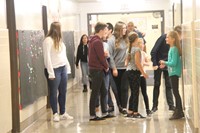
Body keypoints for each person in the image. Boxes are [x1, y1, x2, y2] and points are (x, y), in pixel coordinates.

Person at [43, 22, 73, 122]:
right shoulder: (48, 41)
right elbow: (47, 58)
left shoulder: (60, 41)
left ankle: (63, 112)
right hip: (54, 70)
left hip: (62, 68)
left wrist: (67, 67)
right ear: (55, 29)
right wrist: (50, 72)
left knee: (63, 91)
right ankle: (55, 113)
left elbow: (63, 55)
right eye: (59, 28)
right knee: (53, 92)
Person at [150, 26, 182, 113]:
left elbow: (172, 58)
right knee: (157, 84)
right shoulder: (164, 38)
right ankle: (154, 106)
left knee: (169, 85)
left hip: (167, 64)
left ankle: (171, 106)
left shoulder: (175, 45)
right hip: (159, 63)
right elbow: (153, 51)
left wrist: (166, 63)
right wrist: (155, 64)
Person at [88, 22, 111, 121]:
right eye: (105, 30)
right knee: (95, 92)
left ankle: (105, 112)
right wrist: (106, 66)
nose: (106, 32)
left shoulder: (94, 40)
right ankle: (93, 115)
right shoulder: (97, 42)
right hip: (97, 69)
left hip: (97, 69)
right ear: (101, 30)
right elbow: (100, 57)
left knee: (103, 91)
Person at [159, 30, 184, 120]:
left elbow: (173, 63)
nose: (166, 39)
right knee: (175, 92)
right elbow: (172, 62)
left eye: (168, 37)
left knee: (176, 92)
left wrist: (164, 62)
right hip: (172, 72)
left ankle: (179, 111)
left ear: (173, 39)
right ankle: (178, 110)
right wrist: (165, 64)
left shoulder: (174, 49)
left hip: (174, 73)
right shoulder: (172, 48)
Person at [107, 21, 129, 115]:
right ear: (118, 29)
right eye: (123, 28)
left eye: (125, 28)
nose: (125, 30)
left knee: (125, 88)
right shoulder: (111, 40)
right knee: (117, 89)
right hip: (116, 68)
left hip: (125, 68)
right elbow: (110, 55)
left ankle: (124, 107)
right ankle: (119, 105)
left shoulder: (126, 39)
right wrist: (114, 68)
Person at [125, 32, 148, 118]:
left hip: (128, 71)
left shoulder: (129, 49)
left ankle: (130, 111)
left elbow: (126, 61)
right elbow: (138, 63)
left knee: (132, 91)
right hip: (135, 72)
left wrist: (127, 63)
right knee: (136, 92)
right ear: (136, 39)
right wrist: (143, 73)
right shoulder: (137, 49)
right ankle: (135, 112)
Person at [138, 38, 151, 116]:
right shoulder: (136, 53)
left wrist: (146, 62)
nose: (142, 45)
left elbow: (147, 61)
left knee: (144, 92)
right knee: (134, 93)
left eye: (143, 44)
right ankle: (133, 110)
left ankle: (147, 109)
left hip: (142, 75)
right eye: (140, 43)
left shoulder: (143, 53)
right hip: (136, 75)